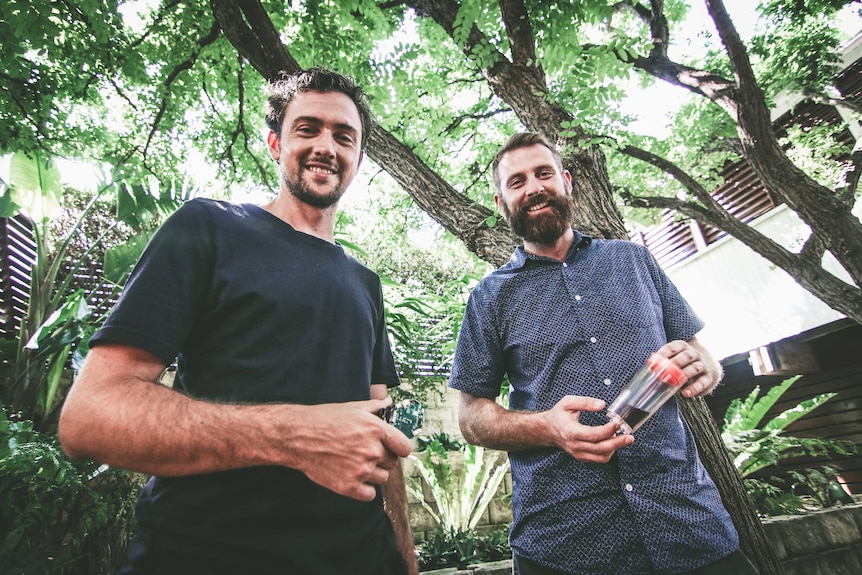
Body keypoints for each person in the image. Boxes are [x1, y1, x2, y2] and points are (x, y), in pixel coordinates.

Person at [58, 67, 418, 575]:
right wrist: (295, 435)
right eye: (307, 128)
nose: (326, 146)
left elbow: (381, 429)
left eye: (344, 136)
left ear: (358, 159)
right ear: (275, 143)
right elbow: (90, 415)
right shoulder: (208, 227)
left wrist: (404, 552)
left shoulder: (366, 283)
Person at [447, 132, 759, 575]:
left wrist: (704, 367)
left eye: (544, 173)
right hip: (566, 543)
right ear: (501, 203)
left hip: (689, 523)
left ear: (566, 182)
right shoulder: (490, 298)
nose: (534, 186)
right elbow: (471, 417)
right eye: (517, 181)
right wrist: (547, 428)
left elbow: (699, 352)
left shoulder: (634, 260)